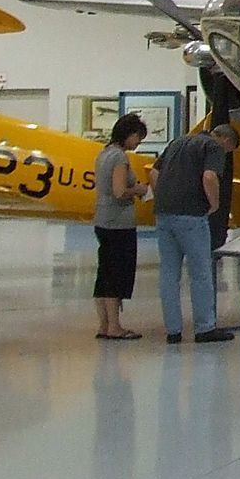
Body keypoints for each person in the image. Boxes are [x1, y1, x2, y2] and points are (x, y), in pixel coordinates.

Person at [150, 123, 240, 344]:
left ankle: (173, 330)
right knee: (200, 272)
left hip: (164, 213)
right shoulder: (213, 147)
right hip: (191, 216)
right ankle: (204, 328)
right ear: (227, 142)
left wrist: (162, 196)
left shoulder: (177, 142)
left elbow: (154, 172)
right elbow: (209, 177)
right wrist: (215, 204)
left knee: (169, 274)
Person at [92, 113, 150, 340]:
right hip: (119, 223)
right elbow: (119, 191)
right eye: (138, 137)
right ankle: (115, 327)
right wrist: (140, 190)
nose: (138, 143)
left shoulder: (103, 154)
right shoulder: (119, 158)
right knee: (116, 275)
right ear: (129, 134)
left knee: (104, 273)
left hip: (103, 219)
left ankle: (104, 325)